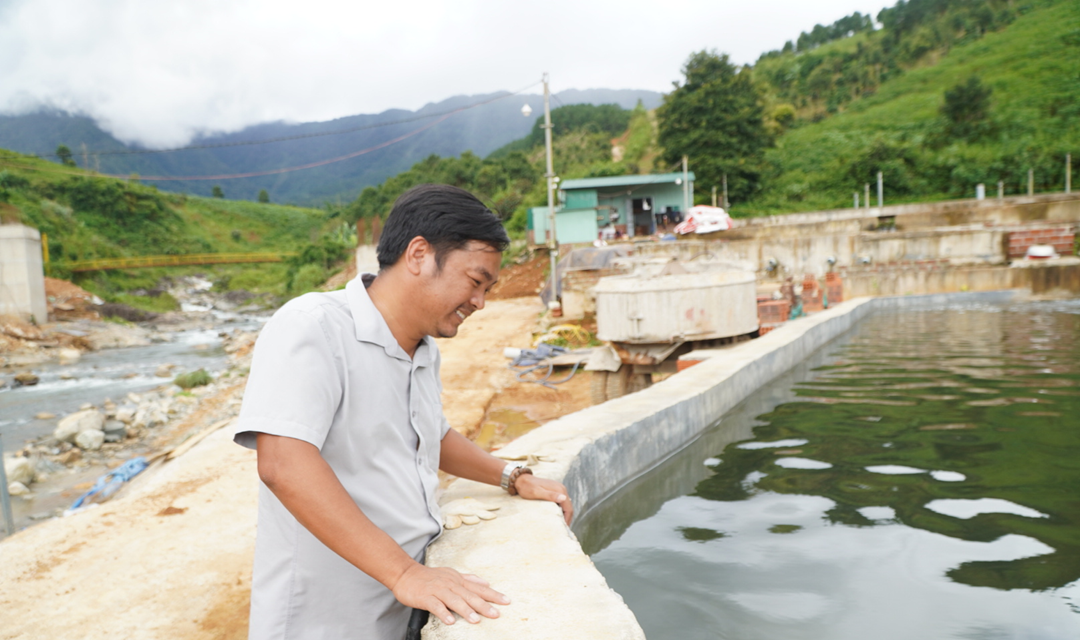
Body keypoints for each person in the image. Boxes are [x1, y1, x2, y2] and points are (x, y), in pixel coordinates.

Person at [233, 184, 574, 639]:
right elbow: (282, 464)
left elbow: (431, 435)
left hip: (402, 607)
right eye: (475, 282)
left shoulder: (422, 348)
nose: (480, 303)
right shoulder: (314, 325)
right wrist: (404, 574)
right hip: (329, 619)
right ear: (418, 254)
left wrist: (512, 476)